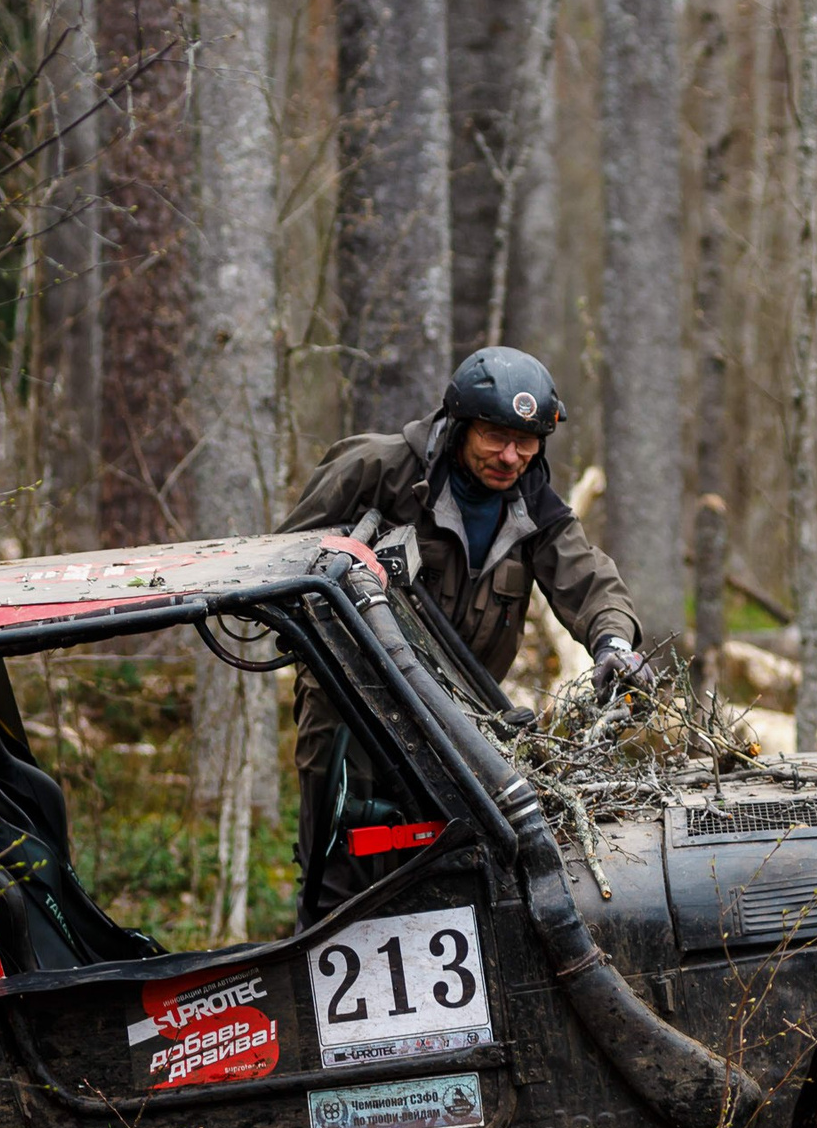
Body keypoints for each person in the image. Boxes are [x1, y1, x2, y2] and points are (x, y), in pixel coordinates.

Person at [279, 347, 656, 902]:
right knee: (340, 881)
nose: (510, 456)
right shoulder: (378, 468)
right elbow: (283, 563)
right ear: (459, 426)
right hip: (350, 714)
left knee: (453, 880)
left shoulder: (535, 506)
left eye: (526, 442)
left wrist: (615, 644)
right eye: (494, 437)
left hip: (460, 724)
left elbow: (589, 579)